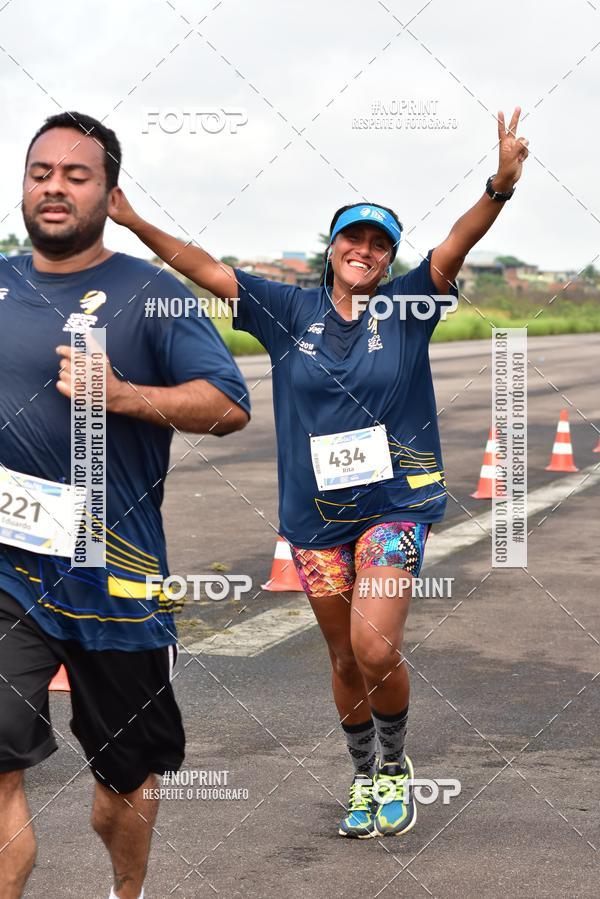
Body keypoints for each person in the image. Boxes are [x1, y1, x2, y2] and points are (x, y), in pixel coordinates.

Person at [108, 108, 529, 839]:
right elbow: (204, 268)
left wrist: (498, 185)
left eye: (378, 242)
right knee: (340, 657)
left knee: (373, 646)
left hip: (394, 506)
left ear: (388, 255)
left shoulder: (408, 305)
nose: (364, 249)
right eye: (352, 237)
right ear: (331, 248)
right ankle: (363, 774)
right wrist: (135, 219)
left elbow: (459, 242)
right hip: (313, 520)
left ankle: (396, 766)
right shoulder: (284, 309)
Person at [0, 112, 250, 899]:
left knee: (127, 782)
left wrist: (123, 394)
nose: (55, 187)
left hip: (118, 581)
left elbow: (229, 403)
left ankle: (126, 890)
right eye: (42, 172)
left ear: (109, 193)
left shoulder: (154, 294)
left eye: (76, 175)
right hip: (8, 573)